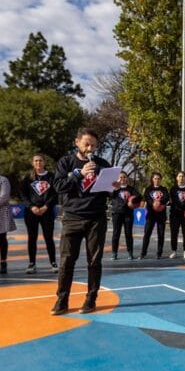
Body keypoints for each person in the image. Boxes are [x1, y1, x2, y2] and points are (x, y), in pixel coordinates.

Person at [52, 128, 111, 315]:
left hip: (96, 218)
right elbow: (59, 186)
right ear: (77, 142)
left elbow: (109, 190)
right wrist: (79, 174)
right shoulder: (66, 162)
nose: (90, 148)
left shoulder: (102, 164)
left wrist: (113, 187)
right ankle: (62, 300)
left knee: (94, 261)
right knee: (67, 260)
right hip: (72, 218)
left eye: (93, 145)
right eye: (86, 143)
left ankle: (91, 299)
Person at [20, 154, 58, 274]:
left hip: (47, 212)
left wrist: (47, 206)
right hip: (32, 212)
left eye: (40, 161)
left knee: (49, 238)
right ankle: (32, 263)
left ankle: (53, 262)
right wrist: (32, 207)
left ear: (44, 162)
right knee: (32, 238)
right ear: (32, 163)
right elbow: (23, 194)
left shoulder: (51, 176)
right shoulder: (28, 177)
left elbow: (55, 194)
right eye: (36, 161)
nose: (38, 163)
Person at [110, 171, 139, 261]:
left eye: (124, 177)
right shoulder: (114, 188)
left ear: (127, 178)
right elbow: (110, 196)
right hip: (117, 213)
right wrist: (115, 188)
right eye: (120, 177)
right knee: (116, 234)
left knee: (128, 233)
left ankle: (130, 253)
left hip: (128, 214)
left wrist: (133, 201)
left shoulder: (131, 189)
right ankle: (114, 253)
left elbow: (139, 196)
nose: (122, 179)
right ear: (118, 179)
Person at [140, 172, 169, 259]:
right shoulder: (148, 189)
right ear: (152, 179)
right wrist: (153, 203)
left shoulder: (164, 189)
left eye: (159, 179)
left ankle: (159, 253)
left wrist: (160, 202)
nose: (157, 180)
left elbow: (167, 197)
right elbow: (147, 198)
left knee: (161, 234)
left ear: (161, 180)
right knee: (147, 233)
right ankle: (143, 253)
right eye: (155, 178)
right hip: (151, 214)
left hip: (161, 214)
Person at [168, 171, 185, 259]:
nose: (181, 178)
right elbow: (175, 201)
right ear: (177, 178)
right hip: (175, 214)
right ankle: (174, 251)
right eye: (179, 176)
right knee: (174, 233)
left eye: (183, 176)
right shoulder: (173, 189)